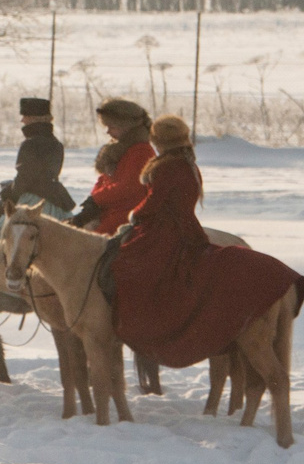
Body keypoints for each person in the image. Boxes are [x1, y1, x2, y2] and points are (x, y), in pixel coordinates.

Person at [111, 116, 299, 384]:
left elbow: (155, 201)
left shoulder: (167, 167)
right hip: (187, 228)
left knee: (126, 266)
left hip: (166, 232)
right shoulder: (188, 164)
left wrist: (134, 215)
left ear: (159, 141)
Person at [74, 98, 152, 234]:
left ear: (125, 127)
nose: (108, 132)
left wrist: (96, 200)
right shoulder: (118, 149)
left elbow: (128, 187)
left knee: (95, 241)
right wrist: (92, 202)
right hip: (112, 210)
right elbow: (105, 179)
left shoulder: (141, 151)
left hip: (128, 214)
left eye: (112, 127)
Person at [12, 97, 73, 212]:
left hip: (31, 200)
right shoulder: (56, 143)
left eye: (25, 116)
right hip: (55, 200)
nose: (22, 120)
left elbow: (25, 178)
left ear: (33, 119)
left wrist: (8, 196)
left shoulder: (30, 144)